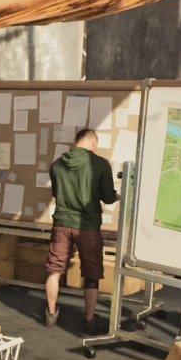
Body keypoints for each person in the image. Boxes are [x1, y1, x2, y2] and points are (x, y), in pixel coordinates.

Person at [45, 128, 119, 335]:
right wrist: (117, 195)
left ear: (76, 141)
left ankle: (51, 314)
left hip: (62, 223)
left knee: (55, 270)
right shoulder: (100, 164)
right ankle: (89, 320)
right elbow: (108, 197)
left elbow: (56, 193)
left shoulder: (57, 165)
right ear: (93, 142)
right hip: (88, 226)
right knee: (91, 274)